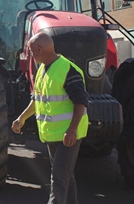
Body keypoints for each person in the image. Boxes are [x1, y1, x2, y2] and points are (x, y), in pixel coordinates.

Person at [11, 32, 89, 204]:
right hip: (54, 134)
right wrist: (21, 118)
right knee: (65, 177)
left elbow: (80, 102)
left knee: (58, 178)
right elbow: (37, 101)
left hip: (68, 135)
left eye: (31, 51)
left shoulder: (68, 70)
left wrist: (72, 130)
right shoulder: (42, 71)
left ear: (39, 49)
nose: (30, 55)